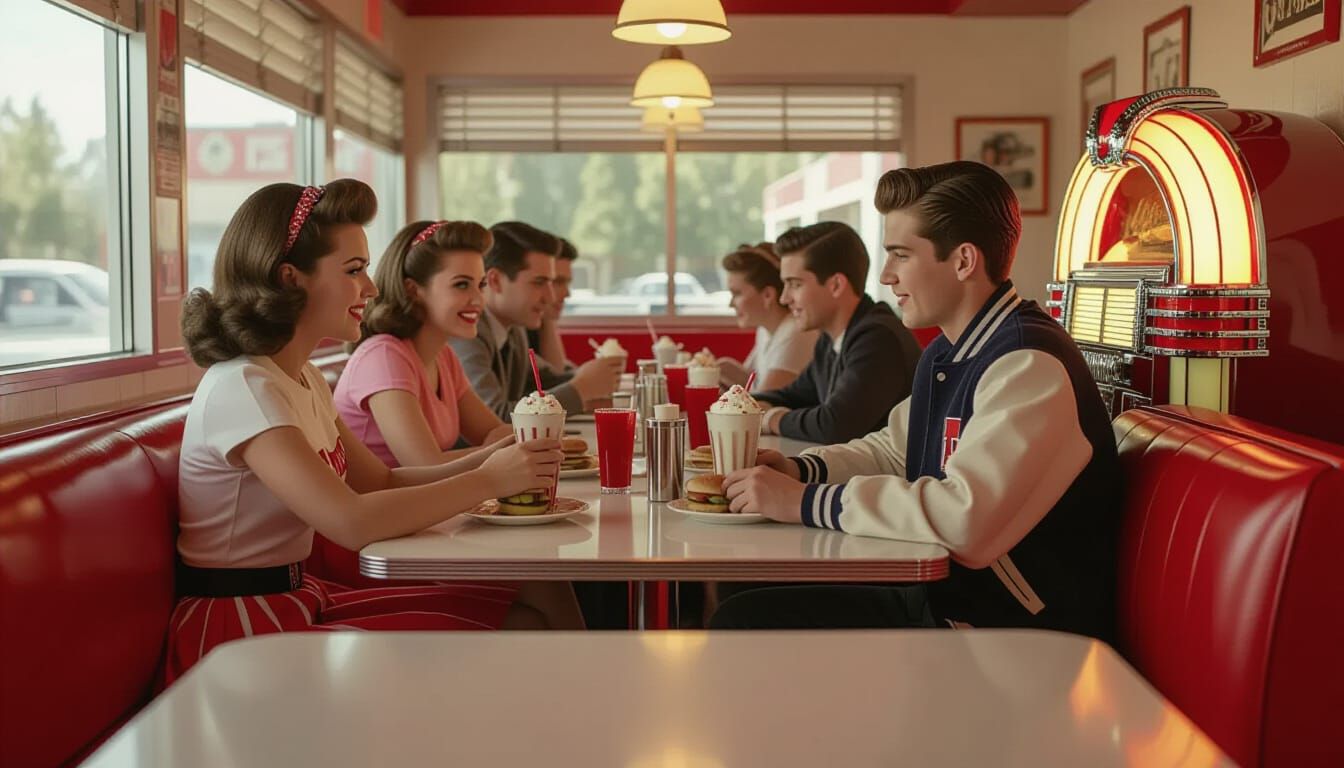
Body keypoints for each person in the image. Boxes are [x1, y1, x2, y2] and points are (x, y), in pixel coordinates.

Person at [169, 181, 577, 682]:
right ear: (290, 279)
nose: (372, 287)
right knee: (521, 625)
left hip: (299, 599)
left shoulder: (301, 376)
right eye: (354, 271)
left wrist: (497, 461)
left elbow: (379, 482)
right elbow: (351, 522)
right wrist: (491, 480)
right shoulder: (244, 386)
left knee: (532, 599)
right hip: (240, 633)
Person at [713, 161, 1122, 641]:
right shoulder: (951, 351)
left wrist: (805, 502)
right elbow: (892, 449)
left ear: (964, 260)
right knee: (741, 592)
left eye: (900, 255)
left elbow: (965, 521)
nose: (885, 275)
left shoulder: (1028, 364)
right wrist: (802, 471)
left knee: (742, 620)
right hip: (945, 597)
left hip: (1012, 632)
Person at [751, 221, 921, 444]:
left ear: (836, 285)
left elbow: (834, 426)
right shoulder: (830, 339)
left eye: (795, 284)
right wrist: (742, 404)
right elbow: (792, 396)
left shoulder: (878, 338)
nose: (784, 298)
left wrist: (772, 418)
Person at [450, 222, 621, 419]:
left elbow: (547, 382)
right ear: (495, 281)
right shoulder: (468, 332)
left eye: (551, 283)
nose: (550, 297)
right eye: (539, 283)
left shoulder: (513, 329)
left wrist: (594, 380)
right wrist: (581, 388)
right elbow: (495, 418)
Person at [715, 242, 818, 393]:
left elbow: (761, 404)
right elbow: (753, 382)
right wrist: (721, 368)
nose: (731, 304)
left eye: (737, 294)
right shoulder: (766, 329)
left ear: (768, 295)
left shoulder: (795, 333)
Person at [528, 236, 577, 371]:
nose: (567, 294)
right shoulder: (515, 329)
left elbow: (556, 375)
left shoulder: (538, 323)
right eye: (558, 282)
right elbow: (556, 375)